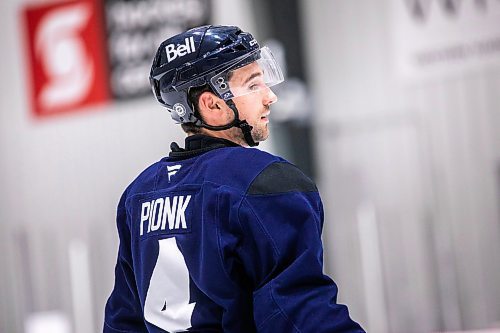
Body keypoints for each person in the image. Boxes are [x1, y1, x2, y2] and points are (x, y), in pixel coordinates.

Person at [104, 25, 365, 333]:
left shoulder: (138, 195)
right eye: (253, 85)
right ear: (212, 105)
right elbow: (298, 313)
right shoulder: (264, 183)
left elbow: (124, 322)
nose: (270, 97)